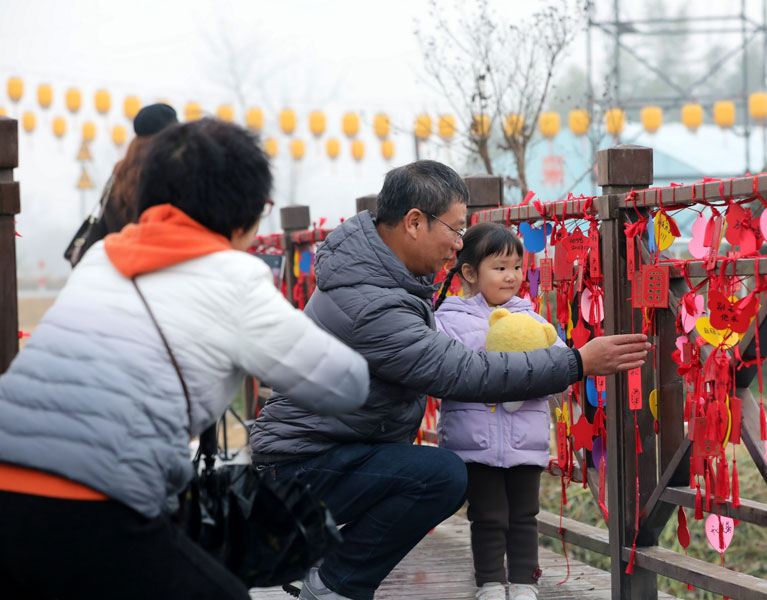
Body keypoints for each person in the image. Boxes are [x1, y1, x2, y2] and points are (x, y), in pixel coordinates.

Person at [0, 118, 369, 600]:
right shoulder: (236, 279)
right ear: (245, 215)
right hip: (96, 503)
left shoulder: (103, 257)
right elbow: (346, 385)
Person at [250, 160, 649, 600]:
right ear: (415, 222)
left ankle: (329, 567)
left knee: (436, 474)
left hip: (322, 454)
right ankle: (334, 583)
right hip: (299, 469)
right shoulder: (371, 302)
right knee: (440, 476)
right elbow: (460, 372)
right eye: (456, 229)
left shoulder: (379, 276)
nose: (460, 244)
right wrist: (577, 363)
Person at [433, 222, 559, 600]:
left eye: (517, 267)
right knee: (487, 516)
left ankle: (524, 582)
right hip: (474, 441)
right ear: (470, 273)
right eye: (500, 267)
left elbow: (561, 368)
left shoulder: (534, 320)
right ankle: (489, 581)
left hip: (526, 440)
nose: (512, 277)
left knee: (524, 515)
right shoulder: (448, 320)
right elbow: (443, 371)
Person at [66, 102, 178, 266]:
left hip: (120, 265)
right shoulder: (175, 174)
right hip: (164, 265)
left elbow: (105, 224)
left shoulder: (119, 174)